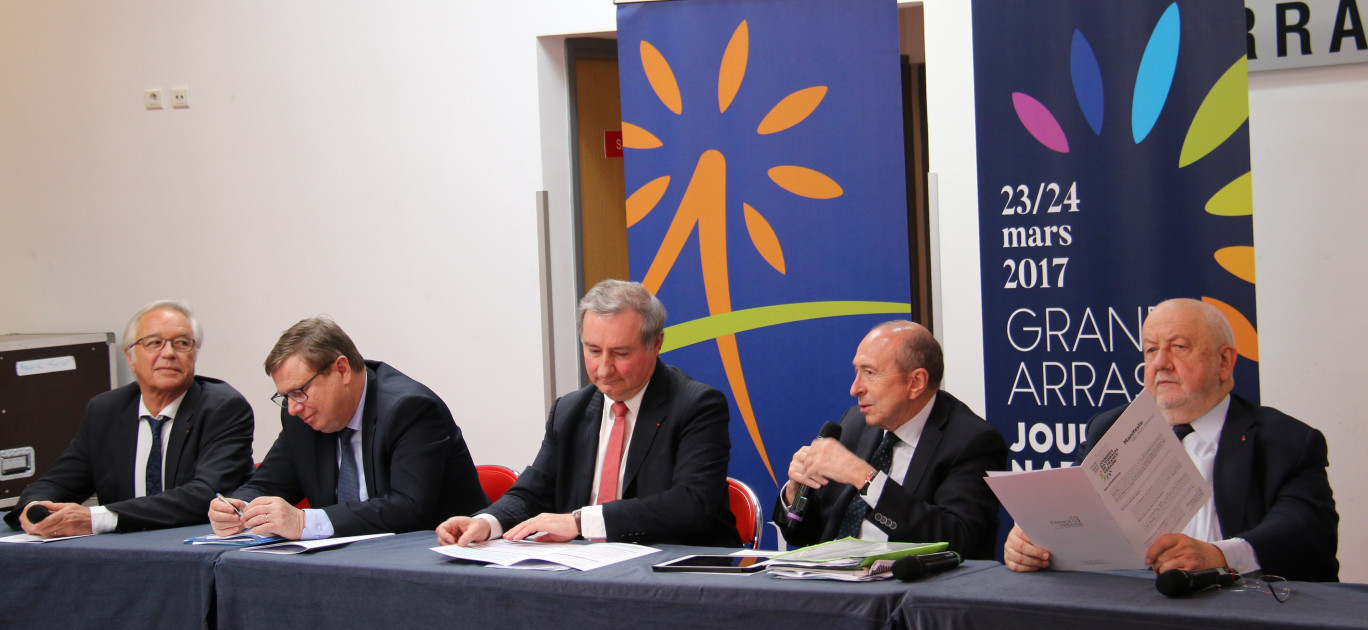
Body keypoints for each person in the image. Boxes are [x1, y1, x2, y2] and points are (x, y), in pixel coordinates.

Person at [1004, 298, 1339, 581]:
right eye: (1151, 350)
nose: (1161, 363)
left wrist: (1218, 556)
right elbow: (1070, 511)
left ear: (1225, 362)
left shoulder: (1286, 440)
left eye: (1179, 347)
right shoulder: (1109, 428)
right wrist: (1032, 541)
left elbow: (1304, 532)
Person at [436, 279, 738, 547]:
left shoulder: (696, 405)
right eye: (593, 351)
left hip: (674, 569)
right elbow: (533, 493)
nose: (604, 369)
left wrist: (581, 521)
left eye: (621, 354)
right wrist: (487, 522)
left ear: (656, 343)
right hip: (584, 572)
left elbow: (691, 504)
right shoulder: (570, 410)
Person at [209, 316, 486, 540]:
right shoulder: (300, 418)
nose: (292, 407)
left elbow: (409, 509)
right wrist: (238, 507)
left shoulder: (410, 409)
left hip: (437, 559)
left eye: (299, 391)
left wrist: (304, 521)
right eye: (285, 397)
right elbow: (269, 483)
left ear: (341, 370)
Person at [4, 300, 254, 536]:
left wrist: (96, 519)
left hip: (192, 546)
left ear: (194, 354)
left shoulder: (222, 407)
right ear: (130, 357)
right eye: (154, 343)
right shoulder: (106, 410)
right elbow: (58, 482)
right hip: (121, 550)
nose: (168, 353)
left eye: (181, 343)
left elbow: (206, 495)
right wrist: (35, 508)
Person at [771, 320, 1008, 560]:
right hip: (834, 583)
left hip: (910, 590)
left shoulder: (971, 442)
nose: (855, 389)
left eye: (870, 373)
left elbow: (959, 541)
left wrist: (865, 478)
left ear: (916, 382)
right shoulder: (855, 422)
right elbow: (800, 535)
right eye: (856, 371)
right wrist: (795, 491)